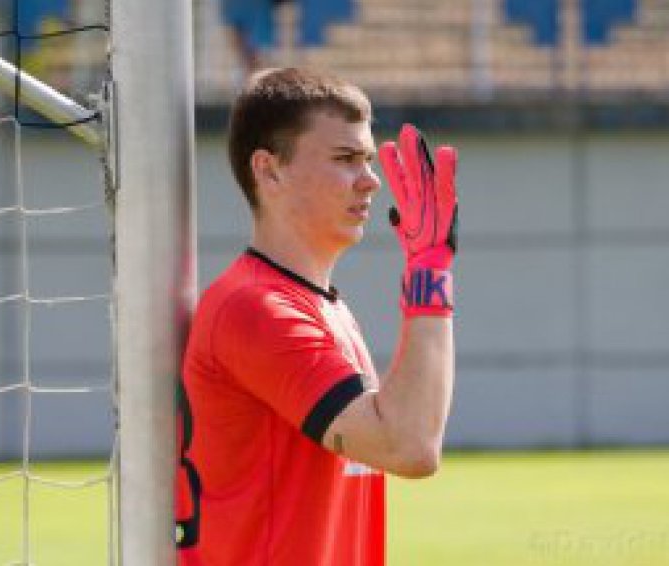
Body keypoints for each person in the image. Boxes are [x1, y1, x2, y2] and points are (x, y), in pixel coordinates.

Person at [175, 67, 458, 565]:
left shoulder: (325, 308)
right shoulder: (255, 309)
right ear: (269, 170)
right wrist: (429, 275)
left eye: (367, 160)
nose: (371, 181)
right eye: (346, 159)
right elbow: (409, 446)